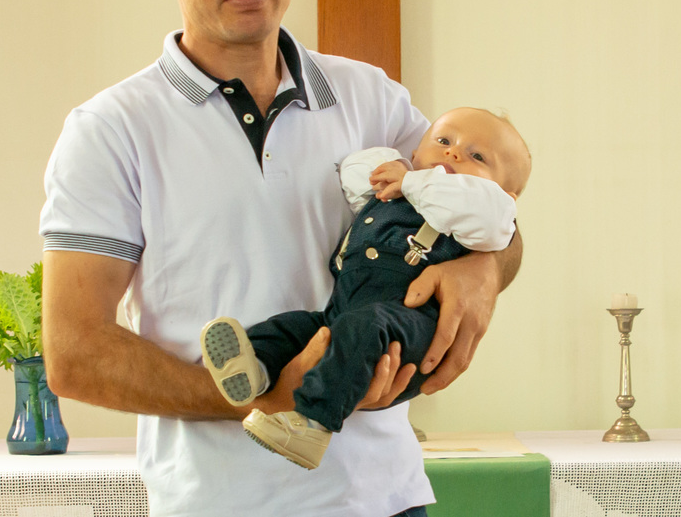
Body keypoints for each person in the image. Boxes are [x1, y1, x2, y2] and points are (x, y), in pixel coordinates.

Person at [38, 0, 523, 517]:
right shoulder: (111, 129)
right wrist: (260, 392)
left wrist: (484, 270)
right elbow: (74, 352)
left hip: (382, 498)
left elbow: (490, 210)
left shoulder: (371, 98)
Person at [201, 107, 531, 470]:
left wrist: (410, 180)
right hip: (345, 312)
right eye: (443, 141)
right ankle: (256, 367)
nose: (453, 153)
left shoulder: (484, 211)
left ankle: (312, 425)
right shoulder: (400, 188)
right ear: (416, 152)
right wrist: (399, 170)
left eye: (478, 156)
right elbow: (355, 173)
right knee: (296, 326)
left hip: (409, 324)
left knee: (362, 329)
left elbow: (487, 215)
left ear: (507, 195)